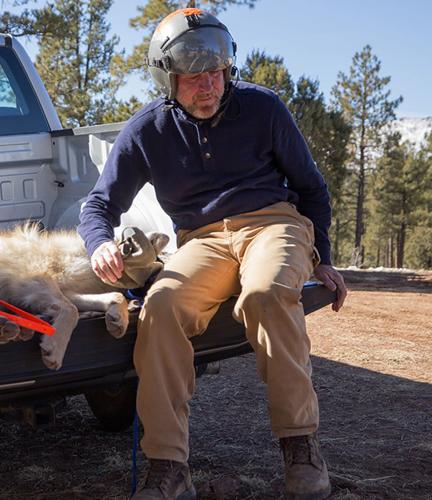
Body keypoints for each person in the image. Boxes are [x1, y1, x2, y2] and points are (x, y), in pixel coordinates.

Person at [77, 8, 348, 500]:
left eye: (216, 73)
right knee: (160, 308)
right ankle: (169, 468)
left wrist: (323, 257)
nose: (208, 87)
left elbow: (312, 189)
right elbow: (98, 204)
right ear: (166, 79)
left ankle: (301, 447)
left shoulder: (264, 108)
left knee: (265, 294)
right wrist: (99, 244)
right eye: (193, 78)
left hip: (273, 223)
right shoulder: (146, 130)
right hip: (201, 240)